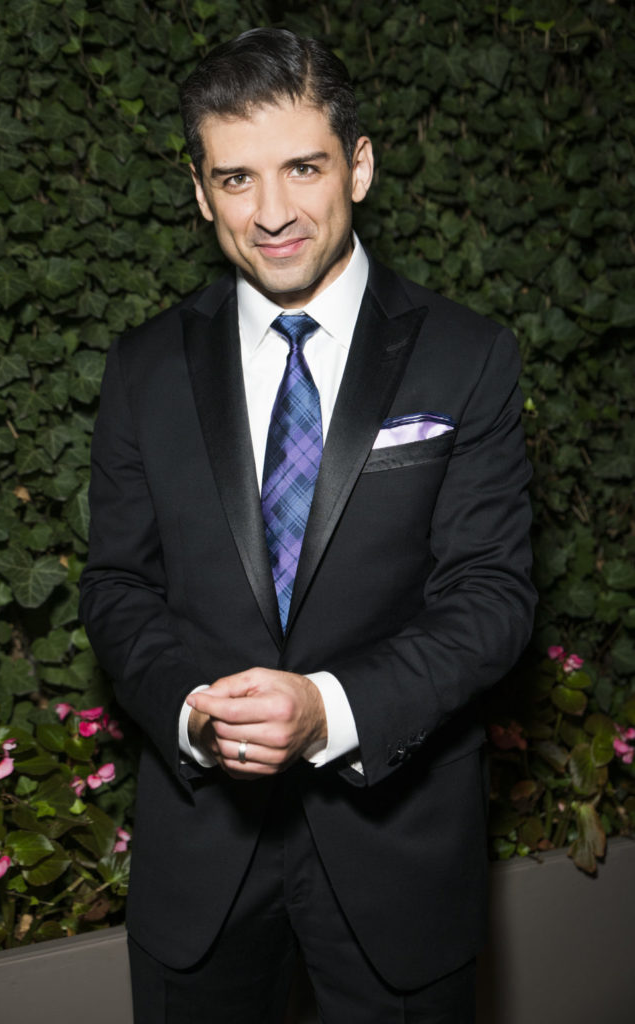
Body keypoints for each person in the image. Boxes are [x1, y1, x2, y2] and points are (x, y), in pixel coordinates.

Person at [79, 27, 536, 1024]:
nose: (273, 212)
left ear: (358, 166)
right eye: (235, 178)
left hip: (398, 852)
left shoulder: (466, 356)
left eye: (302, 167)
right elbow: (116, 583)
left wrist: (328, 708)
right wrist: (194, 709)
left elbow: (491, 597)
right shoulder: (144, 366)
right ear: (200, 193)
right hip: (200, 855)